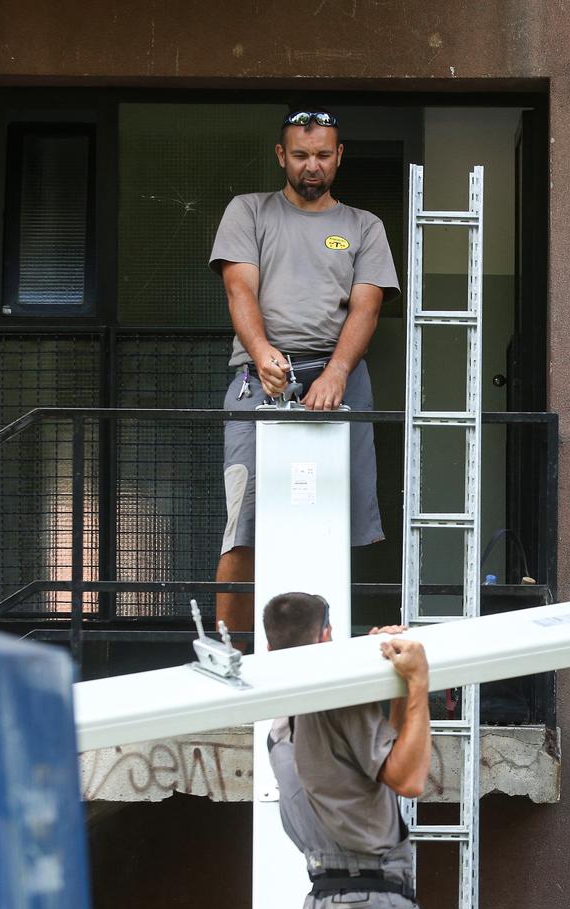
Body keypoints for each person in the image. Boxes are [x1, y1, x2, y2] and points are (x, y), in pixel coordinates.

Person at [209, 109, 400, 633]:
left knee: (336, 519)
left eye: (321, 155)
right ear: (280, 156)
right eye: (300, 155)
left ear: (339, 156)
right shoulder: (248, 211)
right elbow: (238, 288)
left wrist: (336, 372)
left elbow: (367, 307)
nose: (310, 166)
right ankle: (231, 662)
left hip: (339, 380)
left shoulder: (364, 226)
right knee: (243, 524)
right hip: (260, 376)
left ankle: (324, 660)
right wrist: (263, 350)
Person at [261, 591, 430, 909]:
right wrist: (417, 682)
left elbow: (382, 756)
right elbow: (408, 777)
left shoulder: (281, 715)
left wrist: (394, 687)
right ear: (327, 636)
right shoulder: (335, 700)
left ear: (272, 648)